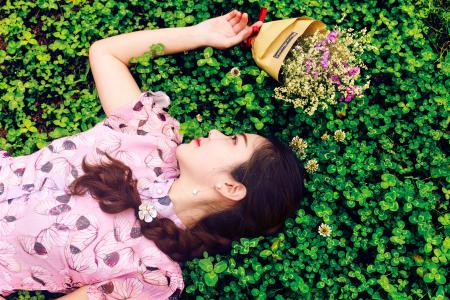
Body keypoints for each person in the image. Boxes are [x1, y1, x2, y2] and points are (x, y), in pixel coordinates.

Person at [0, 9, 305, 300]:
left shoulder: (154, 275)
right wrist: (199, 33)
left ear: (231, 187)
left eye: (232, 141)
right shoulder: (151, 138)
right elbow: (106, 54)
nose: (214, 133)